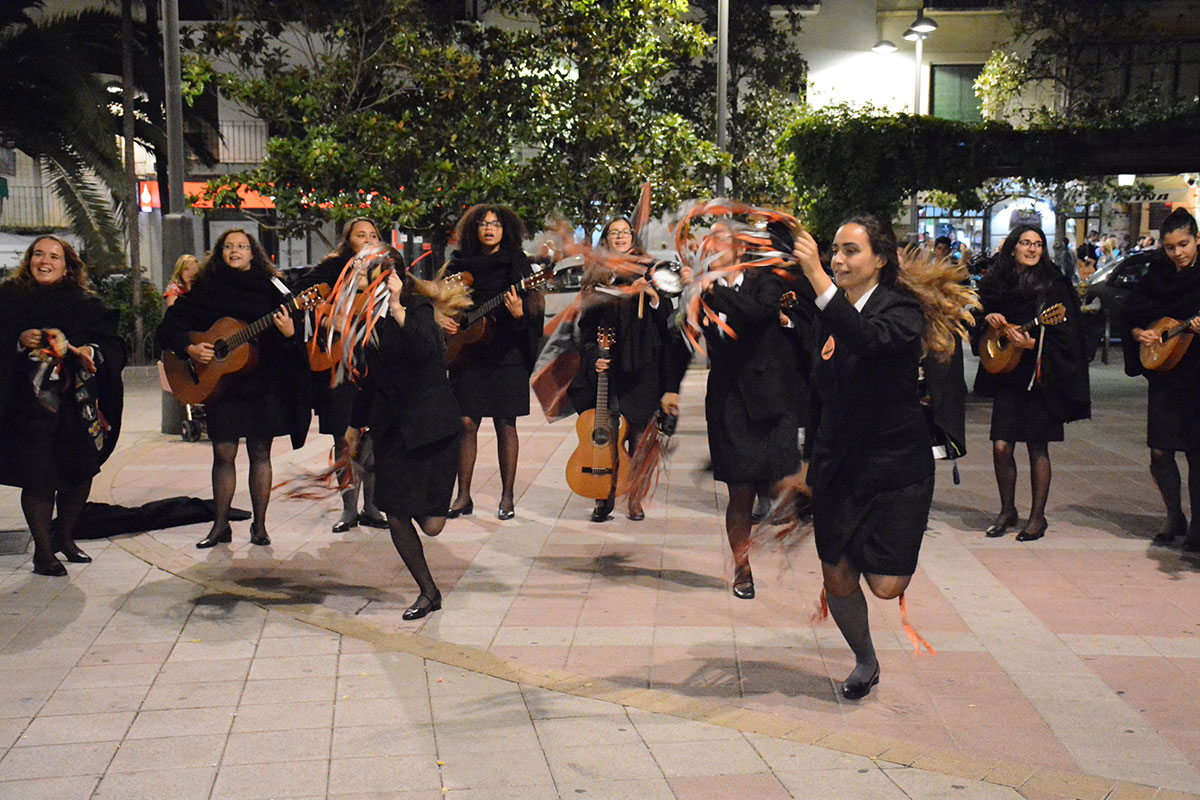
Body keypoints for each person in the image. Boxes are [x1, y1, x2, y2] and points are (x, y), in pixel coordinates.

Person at [791, 215, 967, 700]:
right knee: (836, 573)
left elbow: (866, 339)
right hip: (838, 467)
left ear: (880, 260)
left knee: (887, 585)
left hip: (896, 469)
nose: (837, 260)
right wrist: (808, 464)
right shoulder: (827, 312)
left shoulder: (901, 310)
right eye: (834, 250)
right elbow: (818, 397)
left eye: (851, 251)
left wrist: (817, 279)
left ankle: (865, 546)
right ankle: (865, 660)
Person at [665, 219, 801, 600]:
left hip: (768, 401)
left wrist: (712, 289)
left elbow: (757, 315)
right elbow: (683, 339)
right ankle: (742, 568)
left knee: (774, 484)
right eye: (707, 242)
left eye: (719, 240)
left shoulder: (765, 281)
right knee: (739, 492)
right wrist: (669, 387)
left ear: (740, 248)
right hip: (728, 404)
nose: (710, 247)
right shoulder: (700, 291)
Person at [157, 228, 311, 548]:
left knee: (260, 452)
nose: (235, 251)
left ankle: (260, 526)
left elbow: (293, 340)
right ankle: (220, 524)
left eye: (242, 246)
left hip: (262, 382)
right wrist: (190, 348)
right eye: (228, 246)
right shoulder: (207, 286)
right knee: (223, 451)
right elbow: (171, 323)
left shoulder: (271, 287)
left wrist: (288, 332)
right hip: (221, 383)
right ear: (220, 252)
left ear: (253, 252)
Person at [0, 236, 126, 575]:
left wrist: (89, 351)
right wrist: (18, 341)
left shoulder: (86, 304)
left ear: (68, 266)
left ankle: (64, 537)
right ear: (29, 260)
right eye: (38, 254)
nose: (45, 261)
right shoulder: (8, 298)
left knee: (80, 472)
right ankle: (43, 553)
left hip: (75, 405)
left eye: (54, 257)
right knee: (38, 477)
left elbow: (113, 345)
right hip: (27, 409)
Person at [346, 264, 462, 620]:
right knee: (396, 512)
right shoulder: (366, 319)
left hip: (432, 426)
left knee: (432, 525)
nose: (358, 276)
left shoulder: (418, 308)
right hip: (392, 430)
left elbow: (426, 350)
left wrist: (397, 307)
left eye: (364, 271)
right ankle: (428, 591)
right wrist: (354, 425)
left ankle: (422, 516)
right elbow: (369, 378)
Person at [974, 224, 1091, 542]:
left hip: (1041, 377)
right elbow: (976, 320)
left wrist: (1033, 344)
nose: (1032, 249)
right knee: (1001, 446)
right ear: (1012, 247)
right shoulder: (996, 282)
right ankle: (1007, 510)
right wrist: (988, 319)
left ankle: (1037, 518)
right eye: (1025, 243)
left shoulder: (1053, 285)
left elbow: (1069, 335)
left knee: (1037, 447)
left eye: (1038, 244)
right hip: (1008, 375)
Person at [569, 217, 676, 522]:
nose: (619, 236)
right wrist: (593, 355)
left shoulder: (650, 270)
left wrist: (652, 296)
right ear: (606, 239)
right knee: (607, 431)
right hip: (609, 362)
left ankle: (635, 497)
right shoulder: (597, 275)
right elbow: (586, 327)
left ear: (632, 236)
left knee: (640, 433)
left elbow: (666, 316)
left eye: (624, 232)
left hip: (643, 363)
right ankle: (603, 494)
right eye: (613, 232)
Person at [441, 204, 542, 520]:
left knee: (505, 424)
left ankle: (507, 497)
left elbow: (533, 309)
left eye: (496, 224)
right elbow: (440, 302)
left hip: (506, 354)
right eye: (484, 224)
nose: (489, 228)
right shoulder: (458, 263)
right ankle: (463, 496)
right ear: (474, 229)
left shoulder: (517, 262)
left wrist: (519, 314)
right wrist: (445, 320)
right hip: (467, 354)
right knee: (465, 422)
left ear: (505, 229)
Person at [298, 217, 388, 533]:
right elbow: (301, 295)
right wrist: (326, 317)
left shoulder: (386, 271)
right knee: (344, 439)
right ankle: (349, 509)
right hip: (338, 366)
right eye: (360, 235)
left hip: (374, 364)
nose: (367, 239)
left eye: (373, 235)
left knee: (374, 437)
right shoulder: (332, 267)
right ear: (348, 240)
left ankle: (372, 507)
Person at [1122, 208, 1200, 551]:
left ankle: (1198, 525)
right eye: (1170, 247)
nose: (1177, 253)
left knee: (1197, 453)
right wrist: (1140, 333)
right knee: (1159, 451)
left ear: (1197, 240)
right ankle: (1173, 514)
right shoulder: (1158, 275)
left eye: (1183, 245)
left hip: (1197, 376)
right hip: (1166, 376)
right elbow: (1132, 313)